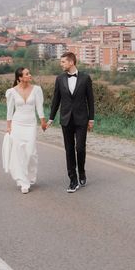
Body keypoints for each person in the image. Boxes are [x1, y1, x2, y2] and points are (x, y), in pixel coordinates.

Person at [46, 52, 95, 193]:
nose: (61, 64)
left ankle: (82, 171)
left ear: (71, 62)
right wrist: (51, 118)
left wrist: (91, 119)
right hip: (66, 119)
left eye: (63, 62)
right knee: (69, 150)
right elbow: (56, 100)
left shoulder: (85, 78)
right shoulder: (59, 79)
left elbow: (90, 100)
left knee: (80, 148)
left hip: (82, 119)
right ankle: (73, 179)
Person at [4, 67, 47, 194]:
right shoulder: (11, 92)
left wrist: (43, 121)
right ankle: (23, 181)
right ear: (20, 78)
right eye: (27, 74)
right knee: (18, 153)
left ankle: (30, 177)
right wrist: (8, 126)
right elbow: (9, 110)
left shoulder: (37, 90)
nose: (30, 75)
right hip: (17, 124)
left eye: (29, 73)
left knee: (30, 153)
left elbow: (39, 107)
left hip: (30, 124)